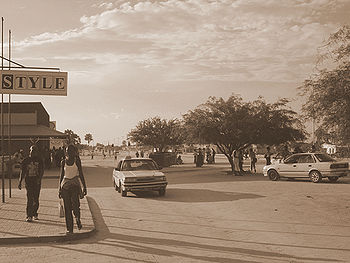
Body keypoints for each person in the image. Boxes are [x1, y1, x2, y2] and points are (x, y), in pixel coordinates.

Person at [59, 145, 87, 235]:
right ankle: (69, 229)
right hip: (65, 186)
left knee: (76, 206)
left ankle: (77, 218)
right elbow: (61, 176)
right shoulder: (63, 162)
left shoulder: (77, 161)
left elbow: (81, 174)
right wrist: (59, 189)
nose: (69, 153)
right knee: (67, 208)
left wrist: (84, 187)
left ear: (74, 152)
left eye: (70, 151)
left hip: (75, 185)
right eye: (67, 151)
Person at [18, 145, 44, 222]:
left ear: (37, 152)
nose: (33, 152)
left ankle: (35, 213)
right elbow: (22, 172)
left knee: (36, 198)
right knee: (29, 198)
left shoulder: (39, 160)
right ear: (30, 151)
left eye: (35, 151)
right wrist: (20, 181)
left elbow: (42, 170)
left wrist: (39, 179)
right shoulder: (26, 160)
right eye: (32, 150)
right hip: (28, 181)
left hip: (36, 181)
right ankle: (29, 215)